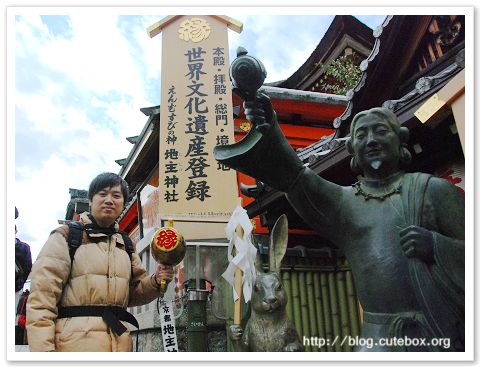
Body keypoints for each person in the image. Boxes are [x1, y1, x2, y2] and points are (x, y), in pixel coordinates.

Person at [214, 93, 464, 351]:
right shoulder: (347, 202)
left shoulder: (434, 192)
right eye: (361, 135)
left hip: (441, 330)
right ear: (352, 149)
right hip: (378, 339)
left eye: (381, 131)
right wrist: (269, 126)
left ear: (400, 140)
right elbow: (296, 178)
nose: (371, 141)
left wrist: (435, 245)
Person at [26, 172, 174, 352]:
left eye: (116, 195)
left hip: (119, 344)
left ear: (123, 203)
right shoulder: (66, 237)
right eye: (102, 194)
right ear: (90, 200)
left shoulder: (125, 244)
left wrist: (156, 281)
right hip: (72, 345)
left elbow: (133, 293)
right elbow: (42, 300)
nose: (109, 200)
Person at [15, 207, 32, 345]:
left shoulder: (22, 248)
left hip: (16, 287)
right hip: (17, 286)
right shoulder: (23, 247)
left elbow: (27, 269)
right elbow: (28, 269)